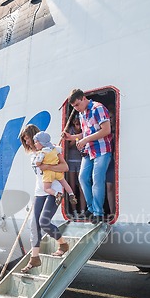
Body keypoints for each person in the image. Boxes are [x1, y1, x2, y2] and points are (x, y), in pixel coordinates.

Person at [19, 124, 70, 272]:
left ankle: (63, 244)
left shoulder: (52, 150)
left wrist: (48, 166)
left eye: (28, 138)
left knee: (44, 222)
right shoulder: (33, 155)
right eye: (25, 140)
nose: (27, 142)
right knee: (34, 225)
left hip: (54, 191)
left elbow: (65, 167)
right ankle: (34, 259)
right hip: (39, 192)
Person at [64, 89, 113, 224]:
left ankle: (98, 212)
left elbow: (106, 130)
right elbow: (86, 134)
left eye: (77, 105)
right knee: (83, 178)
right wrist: (72, 137)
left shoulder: (98, 108)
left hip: (102, 150)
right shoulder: (82, 113)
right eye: (73, 107)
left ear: (83, 98)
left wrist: (85, 140)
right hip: (89, 151)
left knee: (97, 180)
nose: (76, 108)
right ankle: (91, 208)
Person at [33, 131, 77, 208]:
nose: (35, 144)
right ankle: (71, 194)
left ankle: (57, 194)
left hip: (49, 173)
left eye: (36, 142)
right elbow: (61, 150)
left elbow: (38, 163)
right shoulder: (55, 149)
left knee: (46, 188)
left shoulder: (42, 153)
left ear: (42, 143)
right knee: (64, 183)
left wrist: (38, 161)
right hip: (57, 171)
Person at [66, 116, 87, 219]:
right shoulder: (70, 130)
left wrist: (77, 137)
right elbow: (68, 146)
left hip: (81, 160)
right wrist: (75, 139)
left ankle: (82, 210)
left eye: (78, 124)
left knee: (81, 186)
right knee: (72, 187)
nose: (77, 126)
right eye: (75, 124)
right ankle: (74, 211)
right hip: (70, 161)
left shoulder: (84, 129)